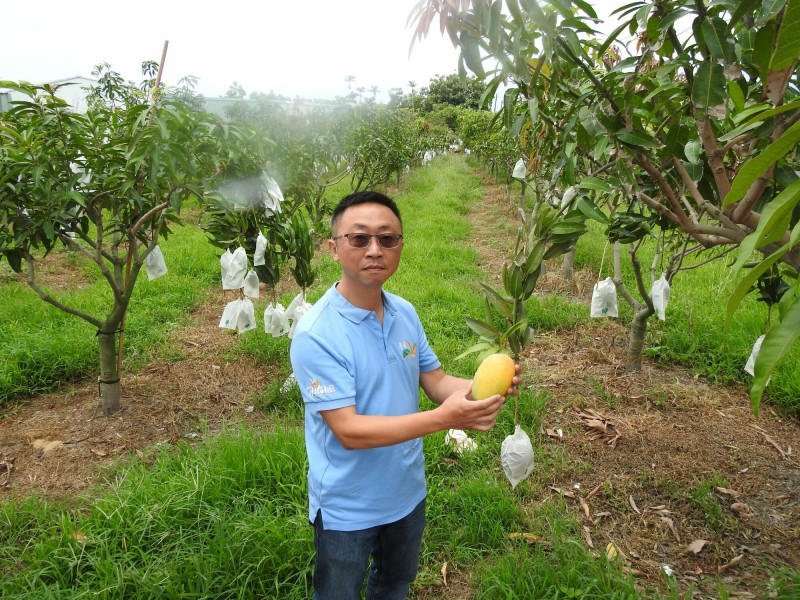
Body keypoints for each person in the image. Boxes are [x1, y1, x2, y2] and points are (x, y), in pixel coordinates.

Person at [289, 190, 520, 600]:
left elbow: (435, 381)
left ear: (400, 246)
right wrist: (445, 419)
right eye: (359, 239)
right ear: (333, 249)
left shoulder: (404, 313)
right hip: (348, 506)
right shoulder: (316, 334)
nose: (374, 249)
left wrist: (483, 387)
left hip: (406, 491)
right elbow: (349, 430)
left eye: (388, 239)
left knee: (395, 583)